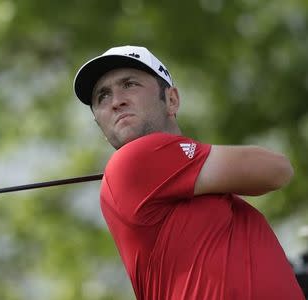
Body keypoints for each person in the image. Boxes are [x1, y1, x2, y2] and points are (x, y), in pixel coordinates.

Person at [73, 45, 304, 300]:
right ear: (100, 125)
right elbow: (277, 170)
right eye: (102, 96)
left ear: (171, 99)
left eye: (129, 84)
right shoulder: (134, 160)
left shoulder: (204, 192)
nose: (116, 101)